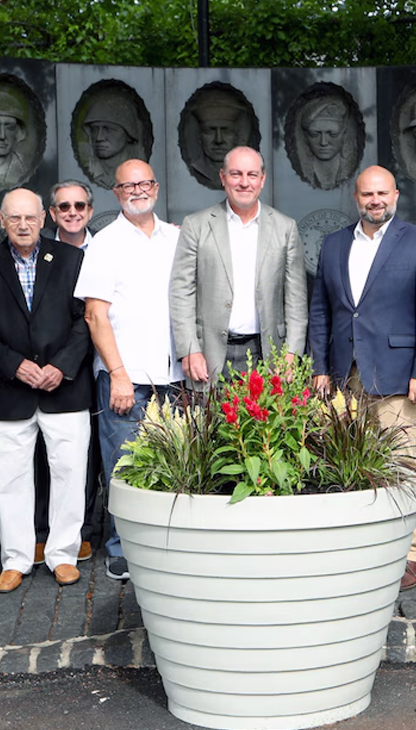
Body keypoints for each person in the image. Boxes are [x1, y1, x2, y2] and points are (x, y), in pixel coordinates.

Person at [309, 165, 416, 592]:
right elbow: (323, 311)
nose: (375, 201)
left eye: (383, 193)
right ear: (356, 197)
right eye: (368, 194)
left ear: (395, 196)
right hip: (344, 376)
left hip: (399, 377)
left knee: (404, 464)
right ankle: (363, 544)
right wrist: (319, 368)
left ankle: (410, 553)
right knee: (350, 463)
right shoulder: (333, 245)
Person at [0, 189, 92, 593]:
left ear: (43, 219)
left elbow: (86, 320)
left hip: (63, 387)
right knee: (9, 478)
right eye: (14, 218)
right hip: (7, 391)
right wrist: (15, 365)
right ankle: (16, 558)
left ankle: (63, 555)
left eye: (30, 218)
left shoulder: (72, 260)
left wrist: (61, 366)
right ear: (1, 220)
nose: (22, 225)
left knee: (71, 473)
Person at [74, 159, 184, 581]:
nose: (137, 190)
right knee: (123, 465)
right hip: (126, 379)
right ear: (116, 193)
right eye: (128, 186)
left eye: (144, 183)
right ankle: (122, 548)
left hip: (173, 378)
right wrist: (118, 374)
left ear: (155, 187)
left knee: (173, 461)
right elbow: (95, 316)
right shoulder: (105, 243)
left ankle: (165, 542)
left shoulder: (176, 238)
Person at [170, 147, 308, 383]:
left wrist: (291, 354)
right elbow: (181, 292)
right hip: (209, 355)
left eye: (252, 175)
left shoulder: (285, 228)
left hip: (268, 355)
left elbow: (295, 300)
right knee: (208, 420)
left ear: (262, 179)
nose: (244, 183)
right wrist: (190, 349)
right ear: (223, 178)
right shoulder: (196, 225)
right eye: (236, 174)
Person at [30, 180, 102, 564]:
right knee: (46, 455)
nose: (72, 212)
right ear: (52, 213)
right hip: (53, 369)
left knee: (86, 457)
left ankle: (82, 531)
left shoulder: (106, 249)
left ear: (90, 210)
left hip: (99, 364)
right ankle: (43, 530)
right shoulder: (37, 253)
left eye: (79, 206)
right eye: (63, 206)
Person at [83, 100, 144, 189]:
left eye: (108, 129)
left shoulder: (141, 172)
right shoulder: (90, 170)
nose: (99, 137)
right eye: (94, 129)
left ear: (128, 134)